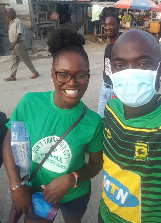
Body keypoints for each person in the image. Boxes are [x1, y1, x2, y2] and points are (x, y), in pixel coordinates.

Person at [99, 29, 161, 223]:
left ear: (160, 68)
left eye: (143, 64)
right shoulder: (112, 108)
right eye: (120, 65)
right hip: (105, 214)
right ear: (111, 69)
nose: (130, 74)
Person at [3, 28, 103, 222]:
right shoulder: (30, 103)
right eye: (63, 75)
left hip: (75, 194)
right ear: (52, 74)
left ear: (88, 76)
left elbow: (96, 164)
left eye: (81, 75)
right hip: (35, 189)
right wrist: (16, 186)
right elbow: (10, 141)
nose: (72, 83)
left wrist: (71, 179)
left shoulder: (93, 122)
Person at [4, 8, 39, 81]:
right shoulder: (10, 22)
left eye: (9, 13)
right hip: (13, 43)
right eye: (7, 14)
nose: (8, 15)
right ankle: (12, 76)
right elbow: (6, 31)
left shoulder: (18, 21)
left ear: (14, 13)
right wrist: (7, 22)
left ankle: (35, 72)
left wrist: (13, 45)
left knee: (25, 59)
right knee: (14, 60)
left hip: (18, 43)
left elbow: (19, 34)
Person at [97, 15, 120, 118]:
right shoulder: (109, 46)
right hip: (105, 87)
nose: (107, 27)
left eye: (111, 24)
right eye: (106, 25)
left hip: (116, 90)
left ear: (118, 26)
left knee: (114, 121)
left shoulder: (121, 46)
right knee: (100, 119)